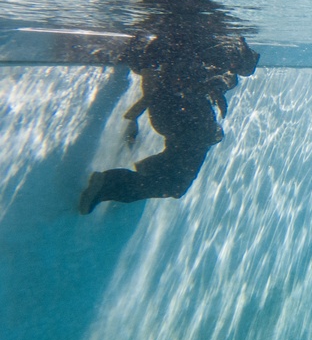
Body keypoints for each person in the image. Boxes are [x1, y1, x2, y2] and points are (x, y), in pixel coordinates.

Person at [79, 33, 259, 214]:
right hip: (177, 109)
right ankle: (115, 182)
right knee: (176, 184)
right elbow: (154, 58)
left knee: (177, 180)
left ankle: (144, 173)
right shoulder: (185, 42)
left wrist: (218, 83)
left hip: (180, 112)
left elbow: (236, 72)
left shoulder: (215, 47)